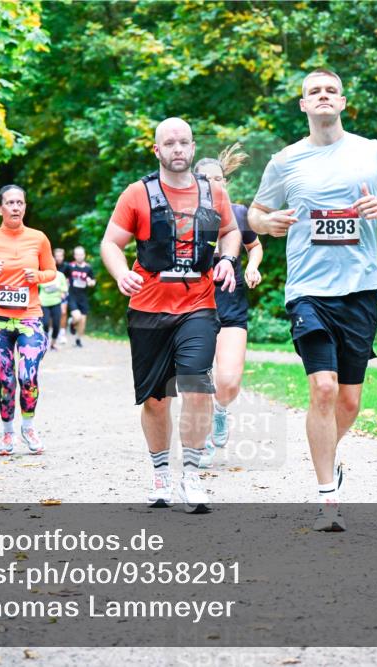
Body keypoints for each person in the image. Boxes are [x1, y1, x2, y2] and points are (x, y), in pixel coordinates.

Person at [248, 69, 377, 531]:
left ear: (343, 101)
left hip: (359, 288)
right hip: (307, 292)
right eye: (313, 92)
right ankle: (327, 500)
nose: (322, 96)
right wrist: (268, 224)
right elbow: (256, 215)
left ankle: (328, 455)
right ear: (303, 105)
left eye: (330, 91)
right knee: (322, 388)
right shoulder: (285, 161)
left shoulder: (371, 152)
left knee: (348, 403)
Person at [100, 117, 241, 513]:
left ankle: (192, 475)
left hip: (199, 303)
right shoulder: (137, 194)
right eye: (169, 143)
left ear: (192, 148)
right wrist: (121, 271)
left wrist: (228, 258)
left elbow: (231, 232)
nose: (177, 149)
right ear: (157, 150)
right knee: (157, 400)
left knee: (197, 384)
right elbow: (111, 242)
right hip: (148, 307)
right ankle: (161, 473)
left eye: (184, 142)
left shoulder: (214, 193)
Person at [0, 185, 57, 456]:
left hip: (30, 318)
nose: (16, 207)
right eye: (10, 203)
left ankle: (28, 426)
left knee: (28, 376)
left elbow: (51, 271)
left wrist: (37, 276)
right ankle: (7, 433)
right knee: (6, 378)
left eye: (20, 203)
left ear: (25, 207)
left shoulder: (38, 238)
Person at [192, 144, 264, 467]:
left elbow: (256, 246)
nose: (214, 184)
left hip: (231, 302)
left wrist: (252, 266)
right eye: (206, 180)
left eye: (219, 179)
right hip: (197, 303)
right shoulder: (186, 217)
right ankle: (203, 436)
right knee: (201, 376)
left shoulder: (239, 213)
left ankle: (221, 410)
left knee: (229, 381)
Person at [62, 246, 96, 347]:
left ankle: (78, 339)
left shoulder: (88, 268)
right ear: (74, 256)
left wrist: (91, 282)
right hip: (72, 296)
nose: (79, 256)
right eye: (77, 254)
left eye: (81, 254)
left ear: (84, 255)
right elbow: (62, 277)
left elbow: (93, 280)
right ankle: (72, 322)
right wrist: (65, 284)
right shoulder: (70, 266)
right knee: (77, 317)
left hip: (83, 297)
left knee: (83, 321)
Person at [40, 264, 69, 350]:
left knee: (56, 325)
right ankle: (45, 343)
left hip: (56, 303)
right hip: (44, 303)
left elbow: (65, 288)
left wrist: (63, 293)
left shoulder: (60, 275)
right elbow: (35, 288)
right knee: (45, 324)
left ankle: (53, 343)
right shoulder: (42, 275)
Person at [53, 247, 70, 346]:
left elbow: (69, 279)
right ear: (54, 257)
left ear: (63, 257)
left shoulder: (67, 267)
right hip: (51, 293)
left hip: (63, 292)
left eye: (61, 256)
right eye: (57, 256)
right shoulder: (50, 265)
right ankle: (52, 331)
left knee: (63, 312)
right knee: (53, 314)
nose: (59, 258)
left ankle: (62, 333)